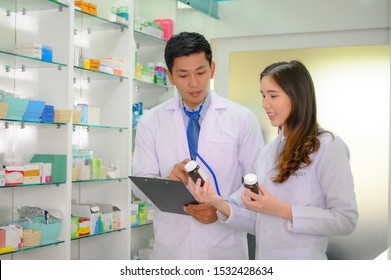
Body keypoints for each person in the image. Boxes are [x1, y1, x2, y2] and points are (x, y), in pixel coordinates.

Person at [189, 60, 358, 260]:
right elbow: (261, 223)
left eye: (273, 96)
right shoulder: (267, 153)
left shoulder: (327, 147)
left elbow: (346, 219)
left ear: (297, 97)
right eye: (263, 95)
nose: (265, 104)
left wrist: (281, 210)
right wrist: (218, 203)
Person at [132, 32, 264, 259]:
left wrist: (221, 208)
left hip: (223, 248)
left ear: (212, 69)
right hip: (172, 249)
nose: (194, 83)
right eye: (183, 75)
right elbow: (140, 185)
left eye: (201, 72)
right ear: (171, 77)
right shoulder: (151, 121)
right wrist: (167, 182)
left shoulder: (242, 118)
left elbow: (255, 181)